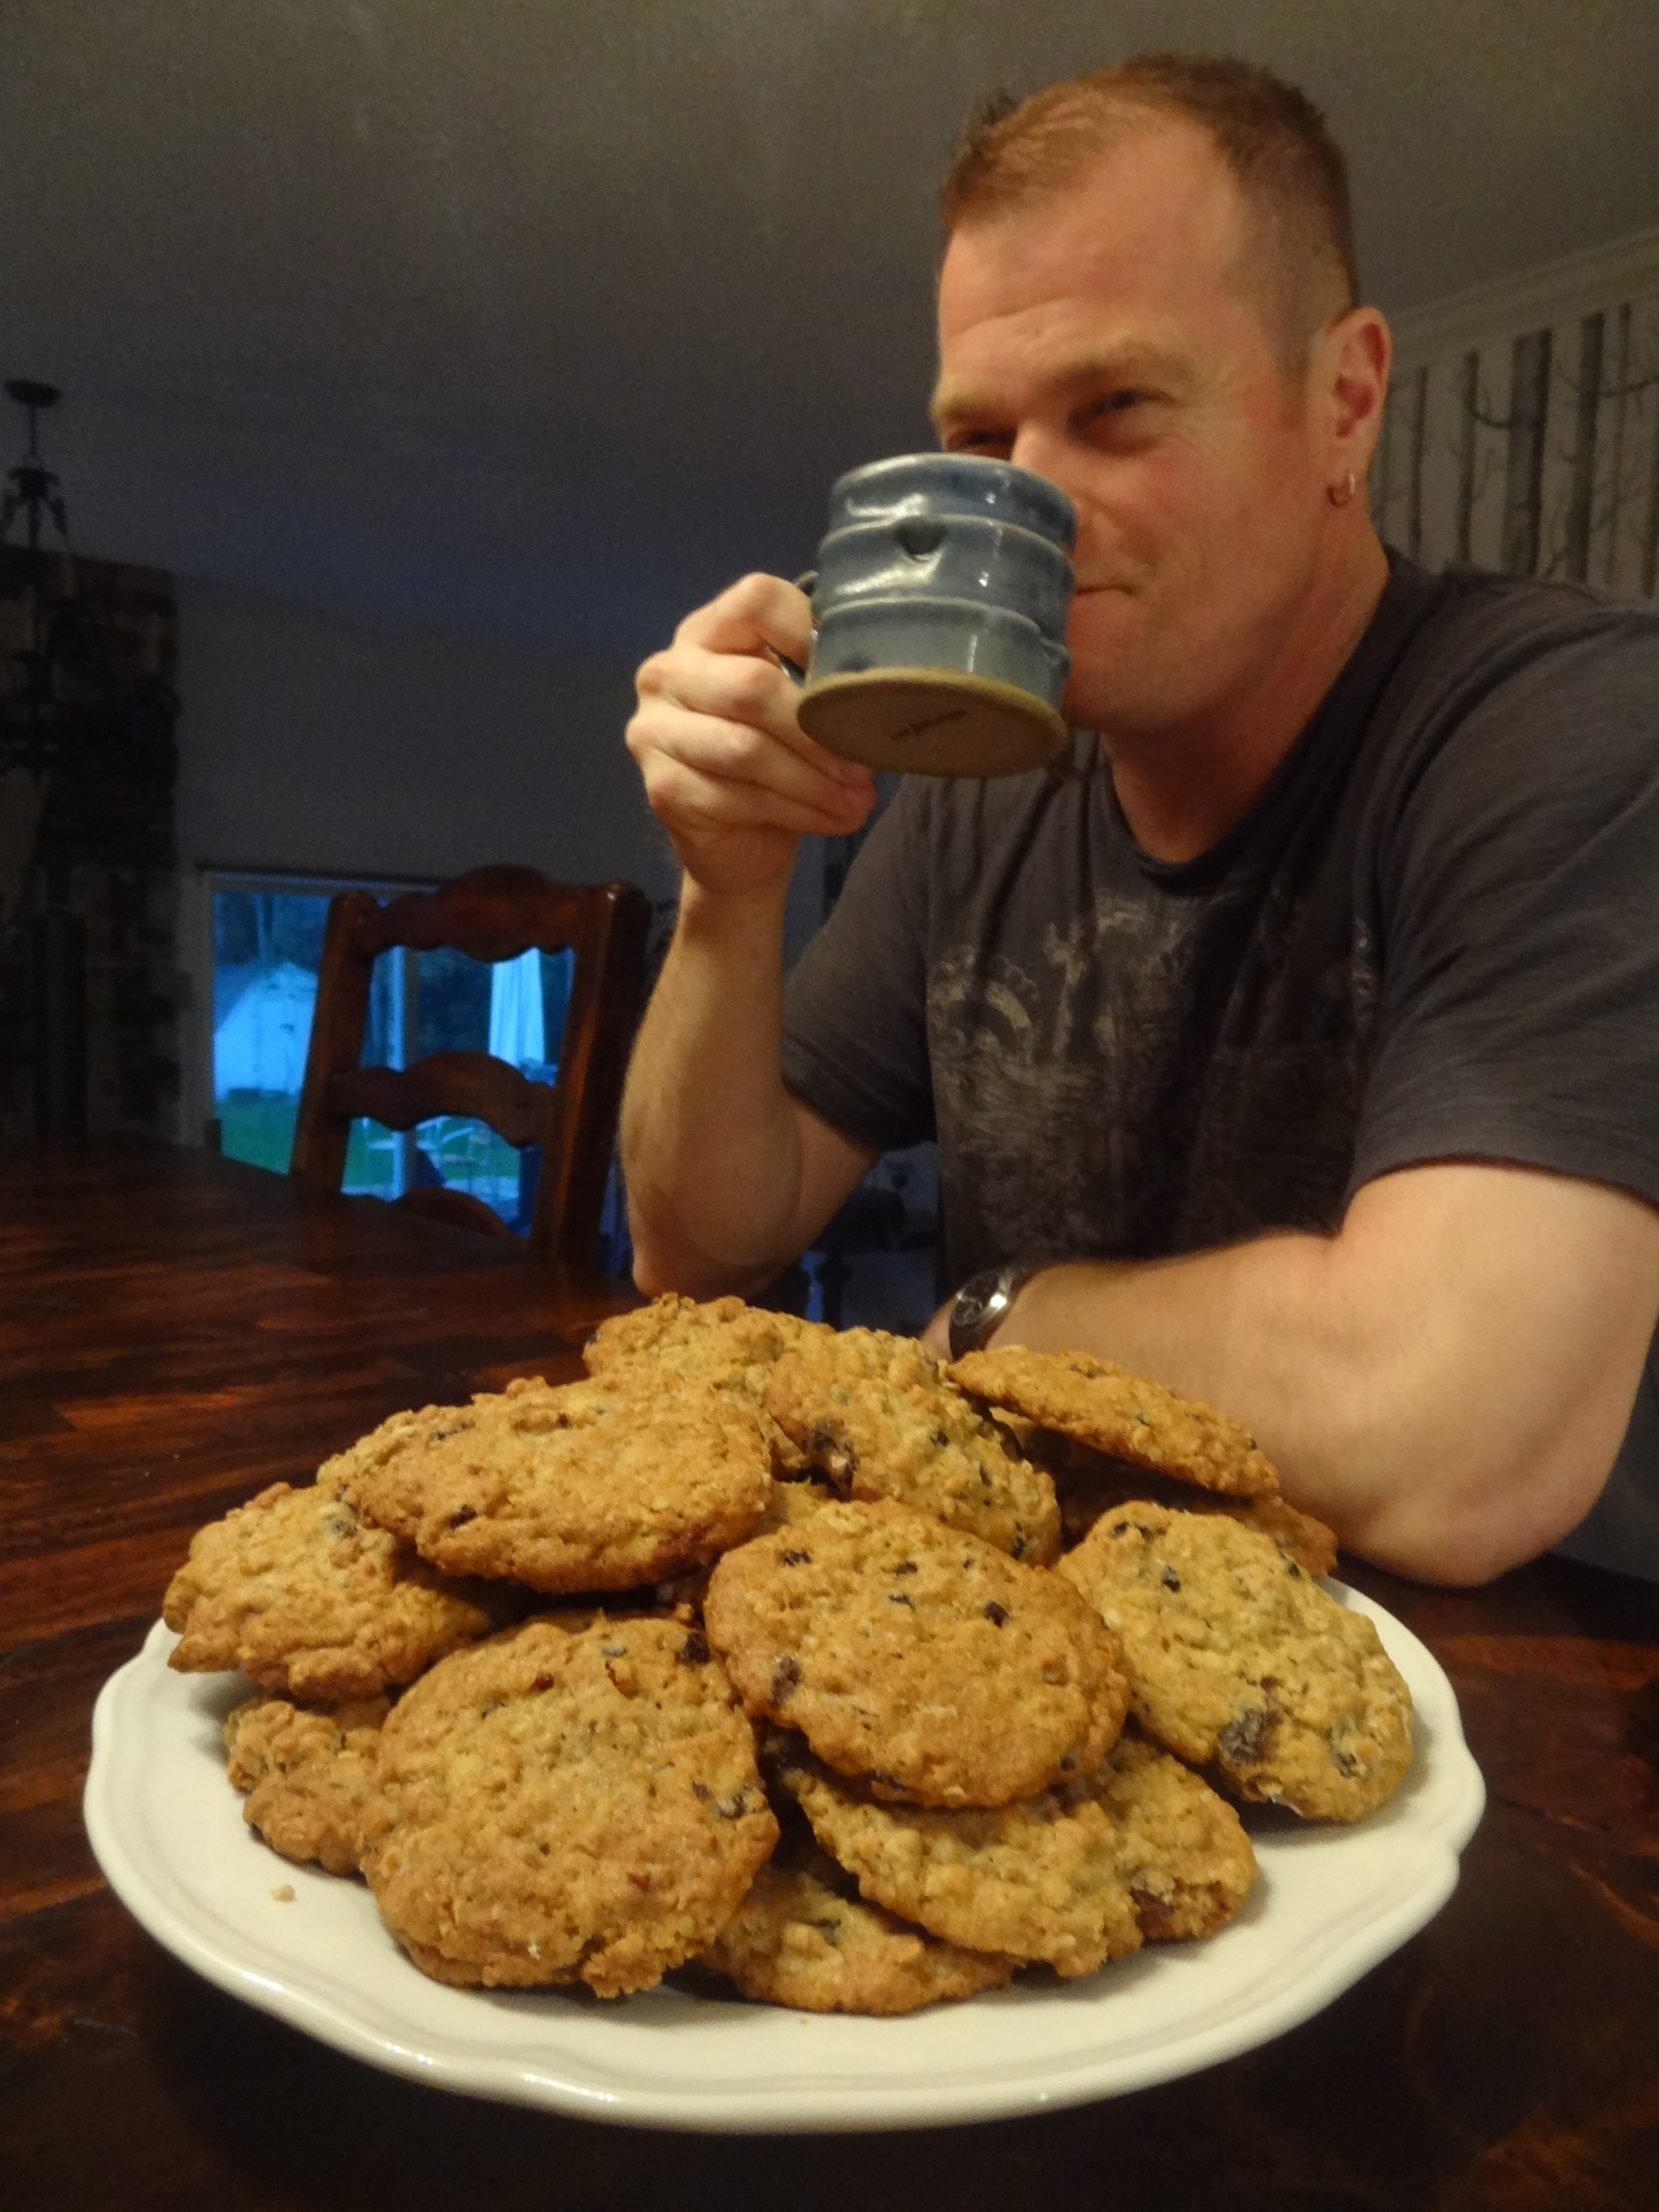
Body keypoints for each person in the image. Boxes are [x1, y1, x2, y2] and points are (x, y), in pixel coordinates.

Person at [620, 53, 1659, 1587]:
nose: (1030, 507)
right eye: (984, 442)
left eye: (1115, 408)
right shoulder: (983, 797)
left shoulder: (1567, 726)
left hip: (1514, 1692)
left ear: (1344, 403)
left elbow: (1451, 1438)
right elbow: (699, 1247)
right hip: (1044, 1655)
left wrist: (998, 1326)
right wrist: (729, 890)